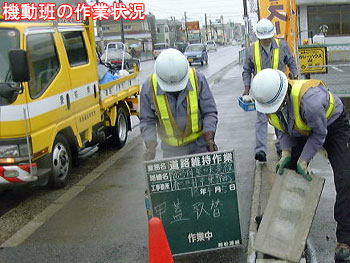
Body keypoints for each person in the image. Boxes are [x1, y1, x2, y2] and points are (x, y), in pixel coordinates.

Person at [250, 68, 350, 261]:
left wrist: (304, 160)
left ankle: (345, 238)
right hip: (300, 127)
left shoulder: (310, 102)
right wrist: (286, 152)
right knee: (286, 171)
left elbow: (320, 134)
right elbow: (281, 128)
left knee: (346, 179)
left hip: (332, 124)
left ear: (284, 97)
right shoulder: (269, 103)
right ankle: (277, 222)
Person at [139, 48, 218, 161]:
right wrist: (150, 147)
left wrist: (209, 139)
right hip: (170, 151)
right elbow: (147, 120)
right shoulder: (149, 87)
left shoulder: (197, 79)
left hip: (199, 146)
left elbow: (209, 112)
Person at [242, 18, 298, 162]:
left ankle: (282, 147)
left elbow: (291, 62)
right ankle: (261, 151)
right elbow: (247, 70)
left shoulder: (282, 46)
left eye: (268, 38)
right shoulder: (251, 50)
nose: (266, 40)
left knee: (280, 118)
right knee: (261, 120)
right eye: (263, 38)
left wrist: (295, 76)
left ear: (272, 35)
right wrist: (246, 89)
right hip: (261, 91)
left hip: (279, 90)